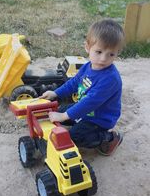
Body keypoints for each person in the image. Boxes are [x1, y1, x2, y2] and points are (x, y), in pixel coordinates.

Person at [40, 19, 125, 156]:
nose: (103, 59)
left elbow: (89, 102)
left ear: (117, 53)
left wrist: (63, 116)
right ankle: (73, 121)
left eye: (111, 54)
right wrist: (55, 93)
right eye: (99, 52)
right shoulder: (87, 66)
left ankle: (109, 138)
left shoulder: (110, 79)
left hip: (99, 118)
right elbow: (73, 83)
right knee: (55, 110)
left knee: (74, 136)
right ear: (87, 47)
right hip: (85, 111)